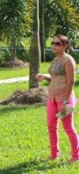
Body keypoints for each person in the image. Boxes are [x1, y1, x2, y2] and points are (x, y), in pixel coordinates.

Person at [35, 34, 79, 163]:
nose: (54, 46)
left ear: (65, 46)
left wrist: (65, 102)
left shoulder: (68, 60)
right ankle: (54, 154)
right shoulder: (55, 60)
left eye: (57, 43)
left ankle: (76, 156)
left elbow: (71, 81)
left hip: (64, 99)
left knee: (68, 128)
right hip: (52, 98)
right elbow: (54, 78)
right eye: (52, 43)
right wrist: (44, 77)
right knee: (51, 126)